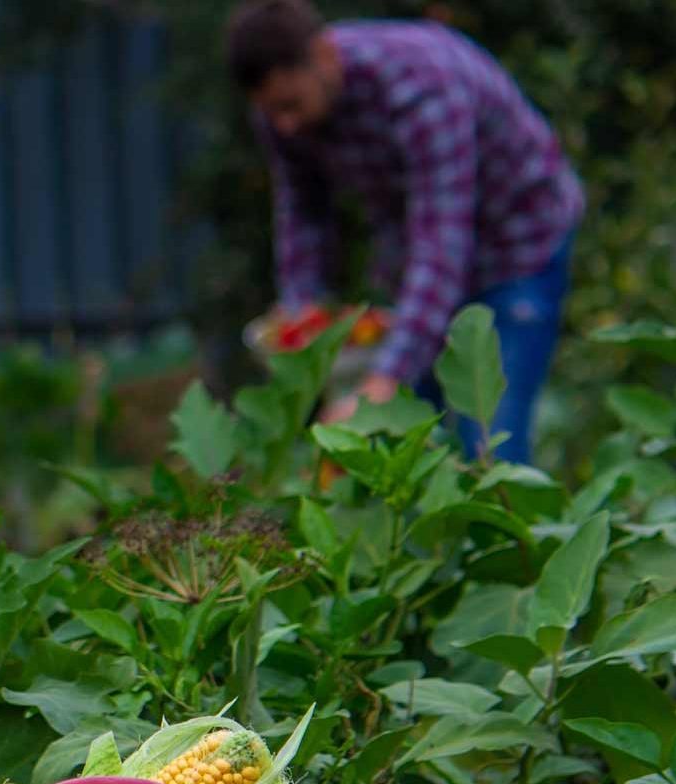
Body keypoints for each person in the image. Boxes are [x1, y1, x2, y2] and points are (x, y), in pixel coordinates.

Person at [226, 0, 582, 463]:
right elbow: (303, 215)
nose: (284, 125)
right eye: (272, 112)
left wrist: (381, 383)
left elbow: (442, 244)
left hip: (518, 246)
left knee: (490, 448)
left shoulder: (421, 88)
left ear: (325, 56)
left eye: (291, 106)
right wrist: (302, 316)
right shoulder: (282, 110)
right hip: (420, 259)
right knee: (410, 443)